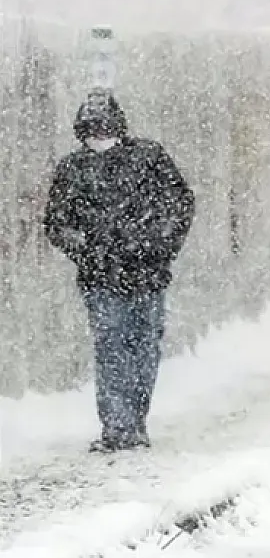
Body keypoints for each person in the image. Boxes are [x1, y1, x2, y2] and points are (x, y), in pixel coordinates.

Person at [43, 89, 195, 452]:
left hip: (147, 273)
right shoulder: (72, 169)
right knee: (113, 348)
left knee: (142, 349)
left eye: (104, 128)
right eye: (91, 130)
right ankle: (117, 426)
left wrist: (158, 244)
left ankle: (134, 422)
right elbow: (56, 223)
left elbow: (180, 204)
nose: (98, 136)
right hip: (101, 277)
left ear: (118, 126)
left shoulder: (149, 158)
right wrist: (88, 249)